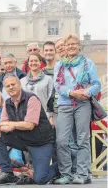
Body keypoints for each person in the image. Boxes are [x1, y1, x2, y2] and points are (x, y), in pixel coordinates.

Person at [0, 74, 58, 185]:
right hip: (23, 140)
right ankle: (7, 173)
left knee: (40, 179)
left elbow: (30, 125)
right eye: (8, 86)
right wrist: (6, 126)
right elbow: (2, 124)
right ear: (5, 89)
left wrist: (11, 124)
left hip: (40, 142)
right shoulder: (7, 103)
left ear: (19, 85)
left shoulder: (32, 99)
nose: (11, 87)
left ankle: (61, 165)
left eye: (13, 84)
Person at [54, 34, 101, 184]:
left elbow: (96, 84)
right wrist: (71, 92)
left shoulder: (88, 63)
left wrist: (86, 93)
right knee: (62, 140)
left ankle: (81, 174)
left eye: (74, 44)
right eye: (68, 45)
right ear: (65, 47)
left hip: (82, 104)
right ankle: (66, 174)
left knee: (82, 139)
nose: (71, 47)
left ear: (79, 46)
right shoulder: (59, 65)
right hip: (65, 103)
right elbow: (58, 85)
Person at [20, 54, 54, 126]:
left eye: (36, 61)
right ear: (28, 63)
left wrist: (51, 117)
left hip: (44, 116)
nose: (33, 63)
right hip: (27, 117)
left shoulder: (48, 79)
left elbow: (50, 99)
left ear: (40, 62)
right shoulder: (22, 81)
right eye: (31, 61)